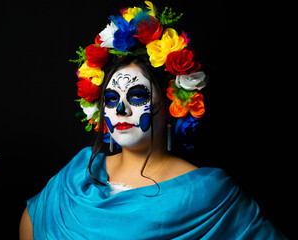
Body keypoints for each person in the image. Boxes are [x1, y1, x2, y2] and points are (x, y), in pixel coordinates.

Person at [20, 2, 286, 239]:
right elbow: (33, 222)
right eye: (111, 99)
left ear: (173, 104)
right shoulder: (75, 176)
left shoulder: (210, 195)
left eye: (137, 96)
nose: (121, 109)